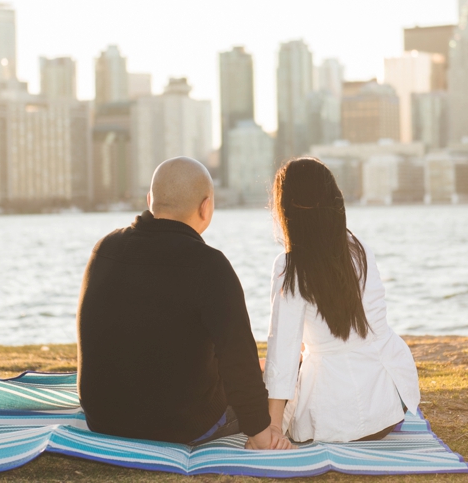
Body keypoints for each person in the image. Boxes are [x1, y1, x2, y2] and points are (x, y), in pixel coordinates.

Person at [77, 157, 289, 449]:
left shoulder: (105, 248)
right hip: (181, 426)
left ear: (150, 200)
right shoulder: (209, 266)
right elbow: (237, 361)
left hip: (103, 419)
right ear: (206, 207)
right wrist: (261, 433)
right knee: (286, 384)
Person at [262, 157, 421, 443]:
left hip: (331, 415)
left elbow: (283, 350)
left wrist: (273, 427)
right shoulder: (359, 251)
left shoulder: (290, 267)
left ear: (287, 212)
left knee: (261, 375)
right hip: (389, 402)